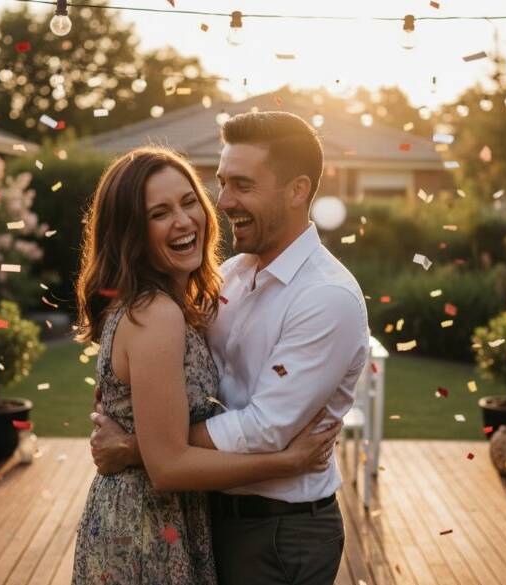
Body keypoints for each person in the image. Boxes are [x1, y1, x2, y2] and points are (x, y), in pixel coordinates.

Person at [90, 112, 370, 585]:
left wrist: (141, 447)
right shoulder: (230, 277)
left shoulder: (326, 297)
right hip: (204, 516)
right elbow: (158, 380)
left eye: (242, 185)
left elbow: (264, 429)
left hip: (277, 532)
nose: (223, 202)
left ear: (297, 190)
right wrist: (138, 419)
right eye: (221, 183)